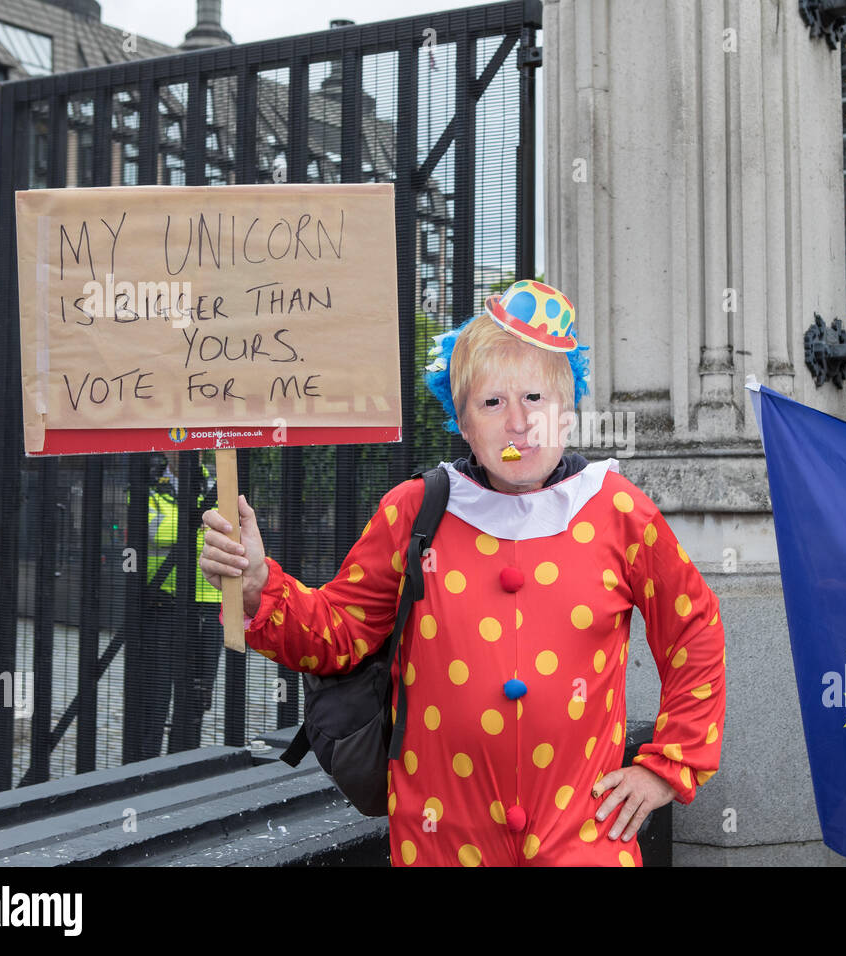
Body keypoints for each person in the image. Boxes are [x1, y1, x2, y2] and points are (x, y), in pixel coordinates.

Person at [200, 280, 726, 866]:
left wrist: (667, 767)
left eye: (535, 399)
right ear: (463, 422)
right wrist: (256, 585)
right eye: (492, 403)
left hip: (584, 842)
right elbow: (339, 632)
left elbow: (694, 629)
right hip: (441, 842)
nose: (519, 423)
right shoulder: (414, 510)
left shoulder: (619, 511)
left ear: (567, 413)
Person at [124, 451, 224, 761]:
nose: (182, 453)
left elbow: (229, 534)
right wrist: (201, 530)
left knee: (196, 695)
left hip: (209, 603)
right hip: (163, 600)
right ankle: (144, 766)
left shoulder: (221, 484)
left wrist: (186, 530)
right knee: (155, 692)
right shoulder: (147, 484)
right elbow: (151, 532)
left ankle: (183, 762)